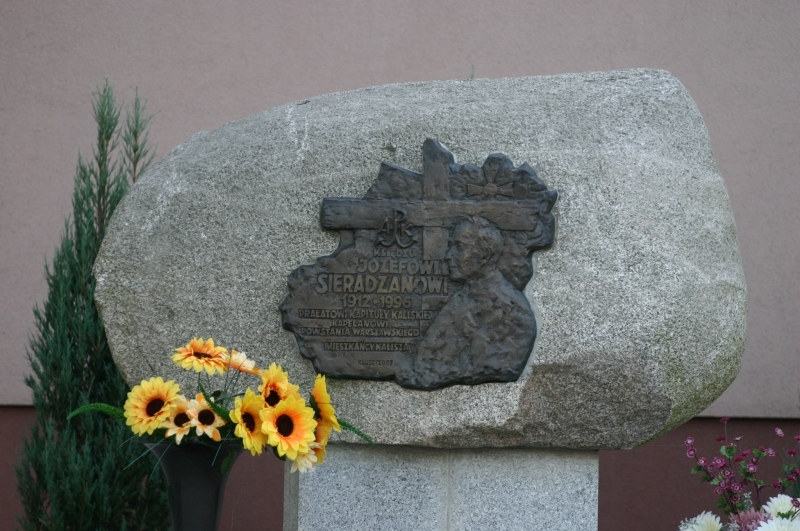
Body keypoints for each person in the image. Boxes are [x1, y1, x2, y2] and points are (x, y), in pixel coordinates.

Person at [396, 216, 537, 389]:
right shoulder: (459, 299)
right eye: (450, 247)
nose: (448, 256)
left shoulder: (515, 313)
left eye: (459, 247)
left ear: (485, 255)